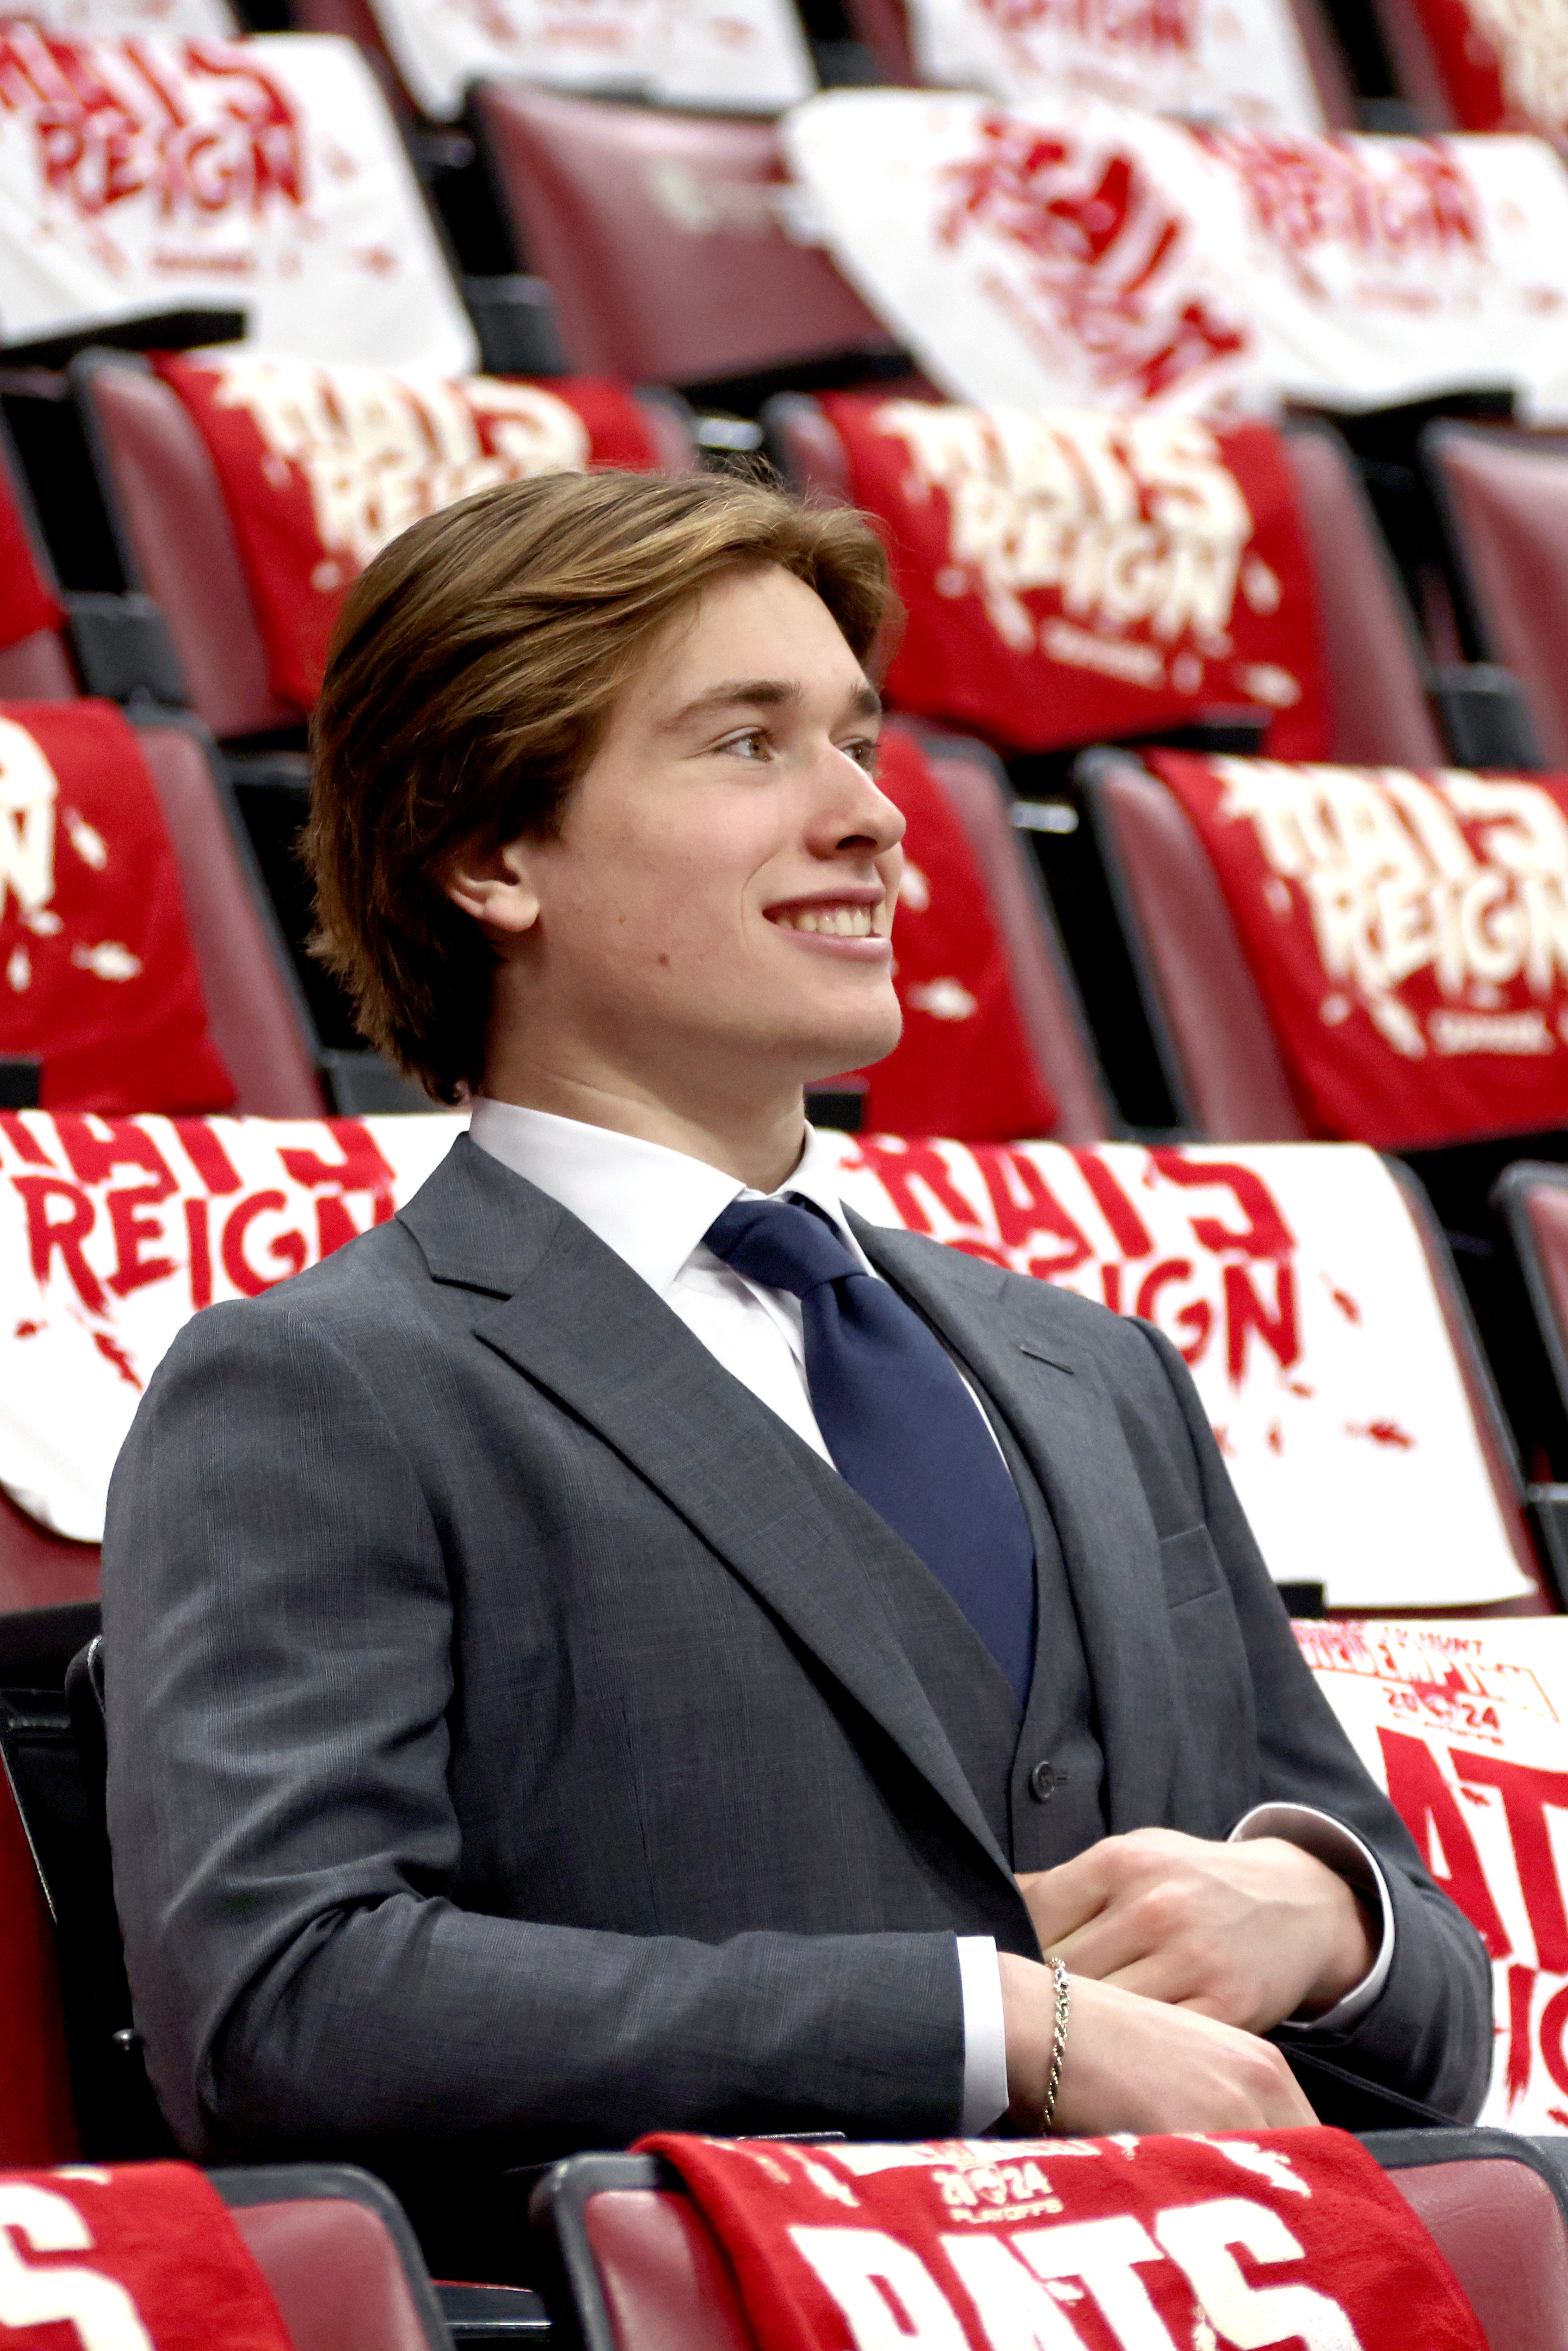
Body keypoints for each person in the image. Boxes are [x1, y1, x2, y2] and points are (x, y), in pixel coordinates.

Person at [103, 470, 1490, 2278]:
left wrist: (1322, 1917)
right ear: (490, 855)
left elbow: (1436, 2017)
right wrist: (995, 2031)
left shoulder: (1096, 1370)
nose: (873, 819)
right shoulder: (320, 1386)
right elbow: (281, 2004)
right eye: (749, 746)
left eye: (861, 740)